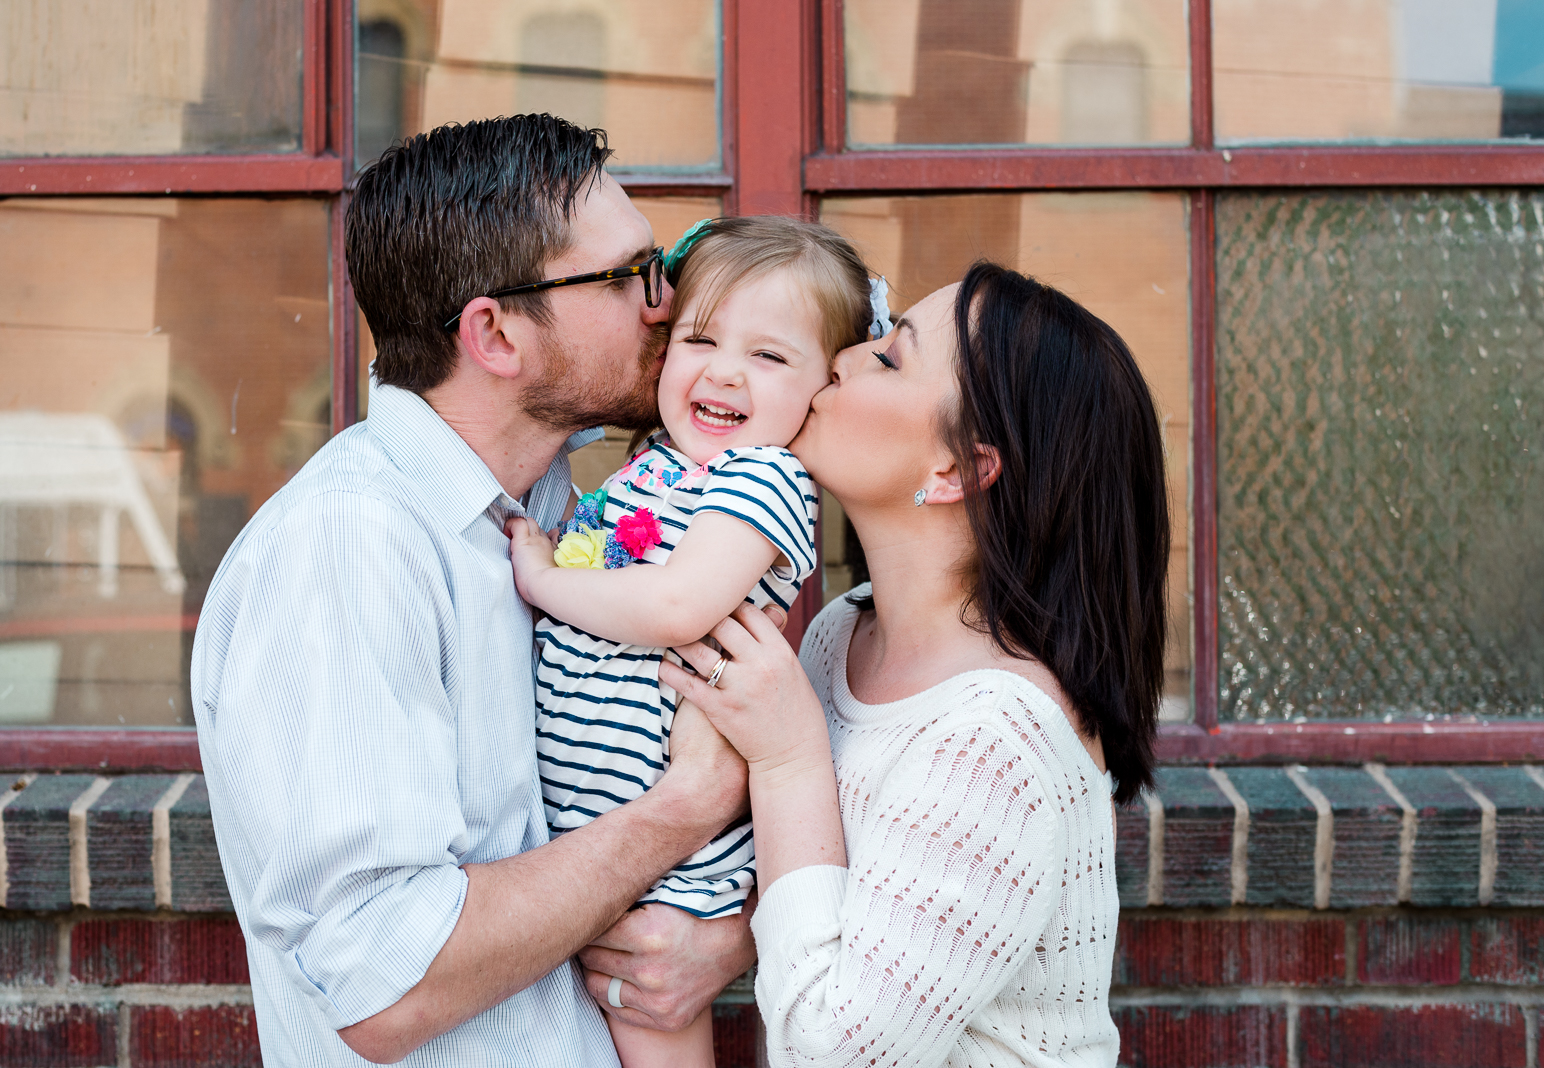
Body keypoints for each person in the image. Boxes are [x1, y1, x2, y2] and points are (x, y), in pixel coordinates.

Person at [190, 116, 755, 1066]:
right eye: (630, 275)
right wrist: (683, 811)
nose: (670, 302)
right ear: (494, 334)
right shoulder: (349, 549)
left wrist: (725, 935)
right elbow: (383, 982)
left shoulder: (573, 506)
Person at [661, 264, 1170, 1066]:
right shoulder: (841, 632)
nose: (840, 359)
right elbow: (839, 895)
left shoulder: (996, 741)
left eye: (888, 357)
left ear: (959, 470)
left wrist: (789, 759)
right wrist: (721, 937)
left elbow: (832, 1054)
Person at [504, 216, 876, 1068]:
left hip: (667, 853)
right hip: (589, 829)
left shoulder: (765, 478)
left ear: (825, 388)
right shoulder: (663, 466)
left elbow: (677, 605)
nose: (724, 371)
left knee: (651, 1027)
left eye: (769, 356)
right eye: (700, 339)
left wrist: (545, 581)